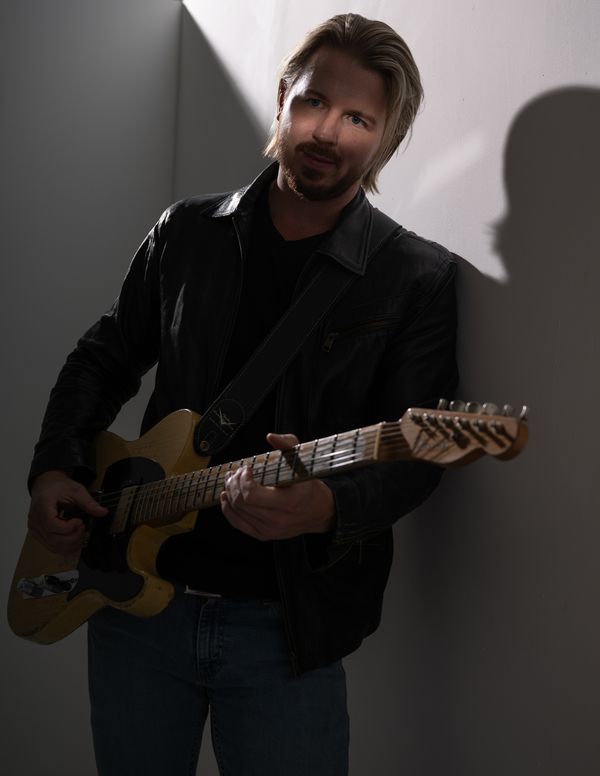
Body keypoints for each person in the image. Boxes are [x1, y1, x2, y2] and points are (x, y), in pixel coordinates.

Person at [27, 13, 457, 776]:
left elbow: (414, 457)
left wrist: (323, 507)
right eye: (315, 102)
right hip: (134, 605)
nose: (328, 132)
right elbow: (103, 357)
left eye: (359, 119)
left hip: (285, 630)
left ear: (387, 138)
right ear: (284, 96)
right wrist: (57, 466)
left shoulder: (415, 277)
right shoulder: (186, 231)